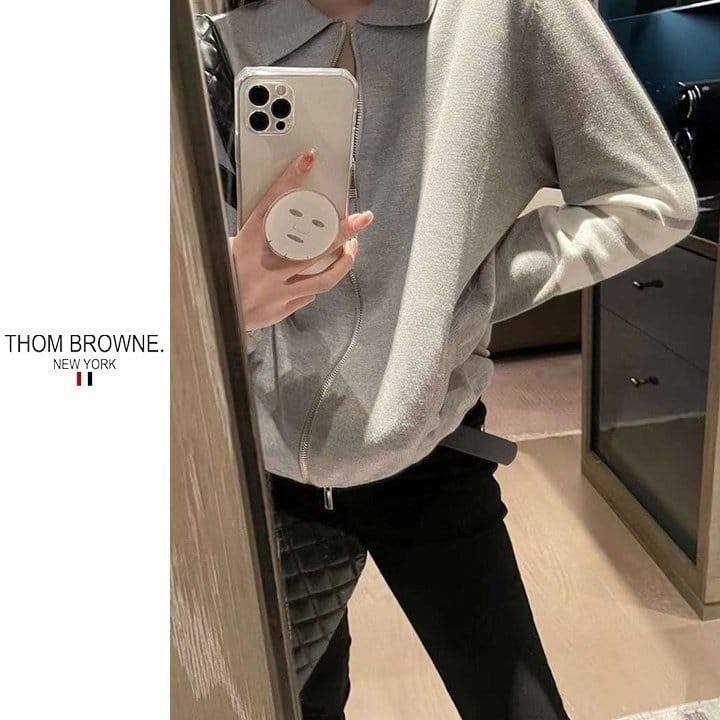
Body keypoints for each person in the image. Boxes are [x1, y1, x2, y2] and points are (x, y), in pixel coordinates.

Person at [210, 0, 699, 717]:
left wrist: (469, 286)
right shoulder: (221, 43)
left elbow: (651, 200)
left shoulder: (508, 14)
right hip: (259, 466)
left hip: (427, 450)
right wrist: (222, 297)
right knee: (301, 705)